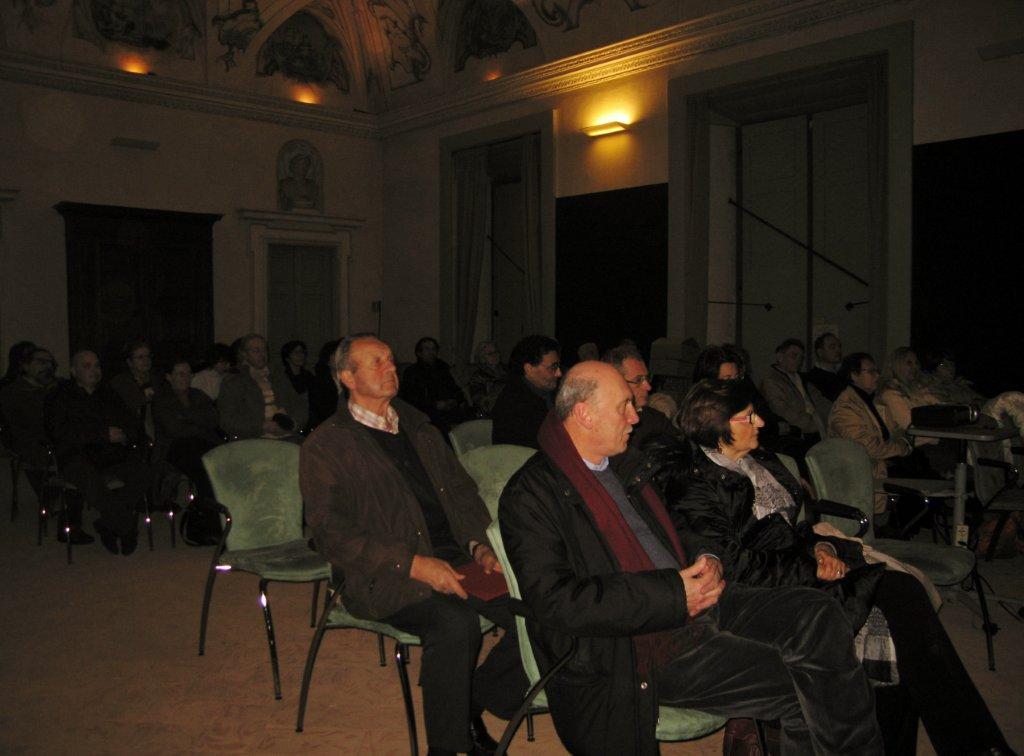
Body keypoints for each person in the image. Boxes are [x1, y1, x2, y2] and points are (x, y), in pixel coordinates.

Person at [499, 361, 883, 755]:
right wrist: (672, 595)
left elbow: (682, 530)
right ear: (585, 413)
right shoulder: (531, 495)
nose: (636, 416)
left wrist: (706, 555)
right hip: (639, 642)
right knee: (807, 686)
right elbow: (557, 601)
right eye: (624, 407)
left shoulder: (624, 466)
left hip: (696, 602)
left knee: (817, 610)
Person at [673, 378, 1012, 755]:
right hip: (767, 588)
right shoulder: (695, 483)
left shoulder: (758, 461)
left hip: (801, 561)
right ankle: (977, 746)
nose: (761, 423)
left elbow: (792, 527)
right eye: (748, 416)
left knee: (902, 601)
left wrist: (818, 546)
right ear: (718, 425)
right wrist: (809, 567)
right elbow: (733, 563)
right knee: (898, 605)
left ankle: (966, 744)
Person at [300, 334, 527, 756]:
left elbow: (461, 493)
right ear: (347, 377)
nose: (391, 369)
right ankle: (447, 746)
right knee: (455, 625)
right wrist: (414, 564)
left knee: (539, 609)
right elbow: (330, 533)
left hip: (456, 557)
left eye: (391, 359)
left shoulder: (419, 426)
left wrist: (479, 544)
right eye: (377, 363)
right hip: (383, 575)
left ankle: (469, 703)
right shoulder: (327, 445)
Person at [44, 350, 151, 554]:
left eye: (97, 366)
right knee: (91, 481)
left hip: (109, 453)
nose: (94, 370)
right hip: (76, 454)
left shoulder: (108, 393)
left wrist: (126, 434)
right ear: (74, 371)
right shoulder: (59, 396)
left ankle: (108, 523)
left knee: (143, 472)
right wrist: (102, 434)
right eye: (87, 366)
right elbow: (59, 432)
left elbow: (131, 423)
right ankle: (126, 526)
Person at [827, 353, 914, 517]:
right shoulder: (845, 408)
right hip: (863, 471)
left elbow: (895, 430)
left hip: (878, 463)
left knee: (921, 466)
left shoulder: (867, 400)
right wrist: (902, 448)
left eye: (877, 371)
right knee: (916, 478)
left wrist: (901, 443)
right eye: (871, 371)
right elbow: (868, 448)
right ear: (854, 375)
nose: (877, 375)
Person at [876, 347, 955, 477]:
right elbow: (910, 426)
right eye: (909, 363)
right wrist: (940, 427)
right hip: (917, 449)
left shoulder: (917, 389)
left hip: (934, 442)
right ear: (897, 365)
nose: (914, 367)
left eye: (916, 363)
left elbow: (941, 408)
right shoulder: (890, 394)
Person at [152, 358, 222, 502]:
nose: (185, 378)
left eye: (188, 373)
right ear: (169, 377)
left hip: (203, 443)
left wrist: (186, 417)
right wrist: (198, 422)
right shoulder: (162, 399)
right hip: (174, 447)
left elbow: (213, 419)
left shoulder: (198, 395)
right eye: (180, 374)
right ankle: (207, 509)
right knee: (202, 470)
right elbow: (174, 429)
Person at [218, 334, 300, 440]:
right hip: (254, 436)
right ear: (244, 354)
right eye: (256, 351)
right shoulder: (234, 380)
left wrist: (293, 423)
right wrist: (262, 426)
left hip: (286, 432)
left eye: (264, 350)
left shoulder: (278, 376)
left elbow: (298, 404)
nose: (262, 354)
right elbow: (228, 420)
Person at [491, 335, 561, 448]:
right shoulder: (514, 403)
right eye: (553, 367)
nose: (558, 373)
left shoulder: (548, 393)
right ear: (529, 369)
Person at [603, 345, 676, 449]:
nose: (648, 387)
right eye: (638, 380)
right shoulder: (600, 426)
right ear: (614, 382)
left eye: (647, 378)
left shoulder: (655, 418)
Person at [760, 338, 827, 447]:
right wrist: (812, 424)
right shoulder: (771, 380)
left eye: (801, 358)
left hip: (815, 426)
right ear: (780, 357)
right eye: (794, 356)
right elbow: (782, 410)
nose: (798, 361)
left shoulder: (802, 379)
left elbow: (820, 399)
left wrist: (829, 417)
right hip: (797, 432)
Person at [399, 337, 470, 434]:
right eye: (427, 349)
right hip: (428, 412)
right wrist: (435, 405)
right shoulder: (412, 372)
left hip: (450, 409)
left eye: (433, 349)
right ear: (419, 353)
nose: (431, 352)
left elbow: (456, 389)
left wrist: (455, 401)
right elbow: (411, 399)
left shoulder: (444, 368)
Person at [109, 340, 158, 441]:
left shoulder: (157, 380)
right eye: (140, 357)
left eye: (148, 356)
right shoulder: (120, 382)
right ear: (130, 362)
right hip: (130, 434)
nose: (146, 360)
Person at [466, 341, 507, 418]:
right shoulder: (477, 377)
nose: (495, 355)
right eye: (490, 354)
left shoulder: (508, 371)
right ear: (482, 357)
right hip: (490, 414)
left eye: (496, 352)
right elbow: (480, 401)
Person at [279, 340, 313, 431]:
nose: (300, 356)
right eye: (296, 353)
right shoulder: (282, 377)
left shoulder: (308, 376)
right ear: (287, 357)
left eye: (302, 352)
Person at [308, 338, 342, 429]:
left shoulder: (349, 380)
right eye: (335, 354)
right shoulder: (319, 382)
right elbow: (322, 411)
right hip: (326, 426)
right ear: (327, 358)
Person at [805, 332, 845, 402]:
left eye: (839, 346)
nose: (838, 350)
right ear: (820, 352)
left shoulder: (843, 373)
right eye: (832, 347)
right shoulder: (813, 378)